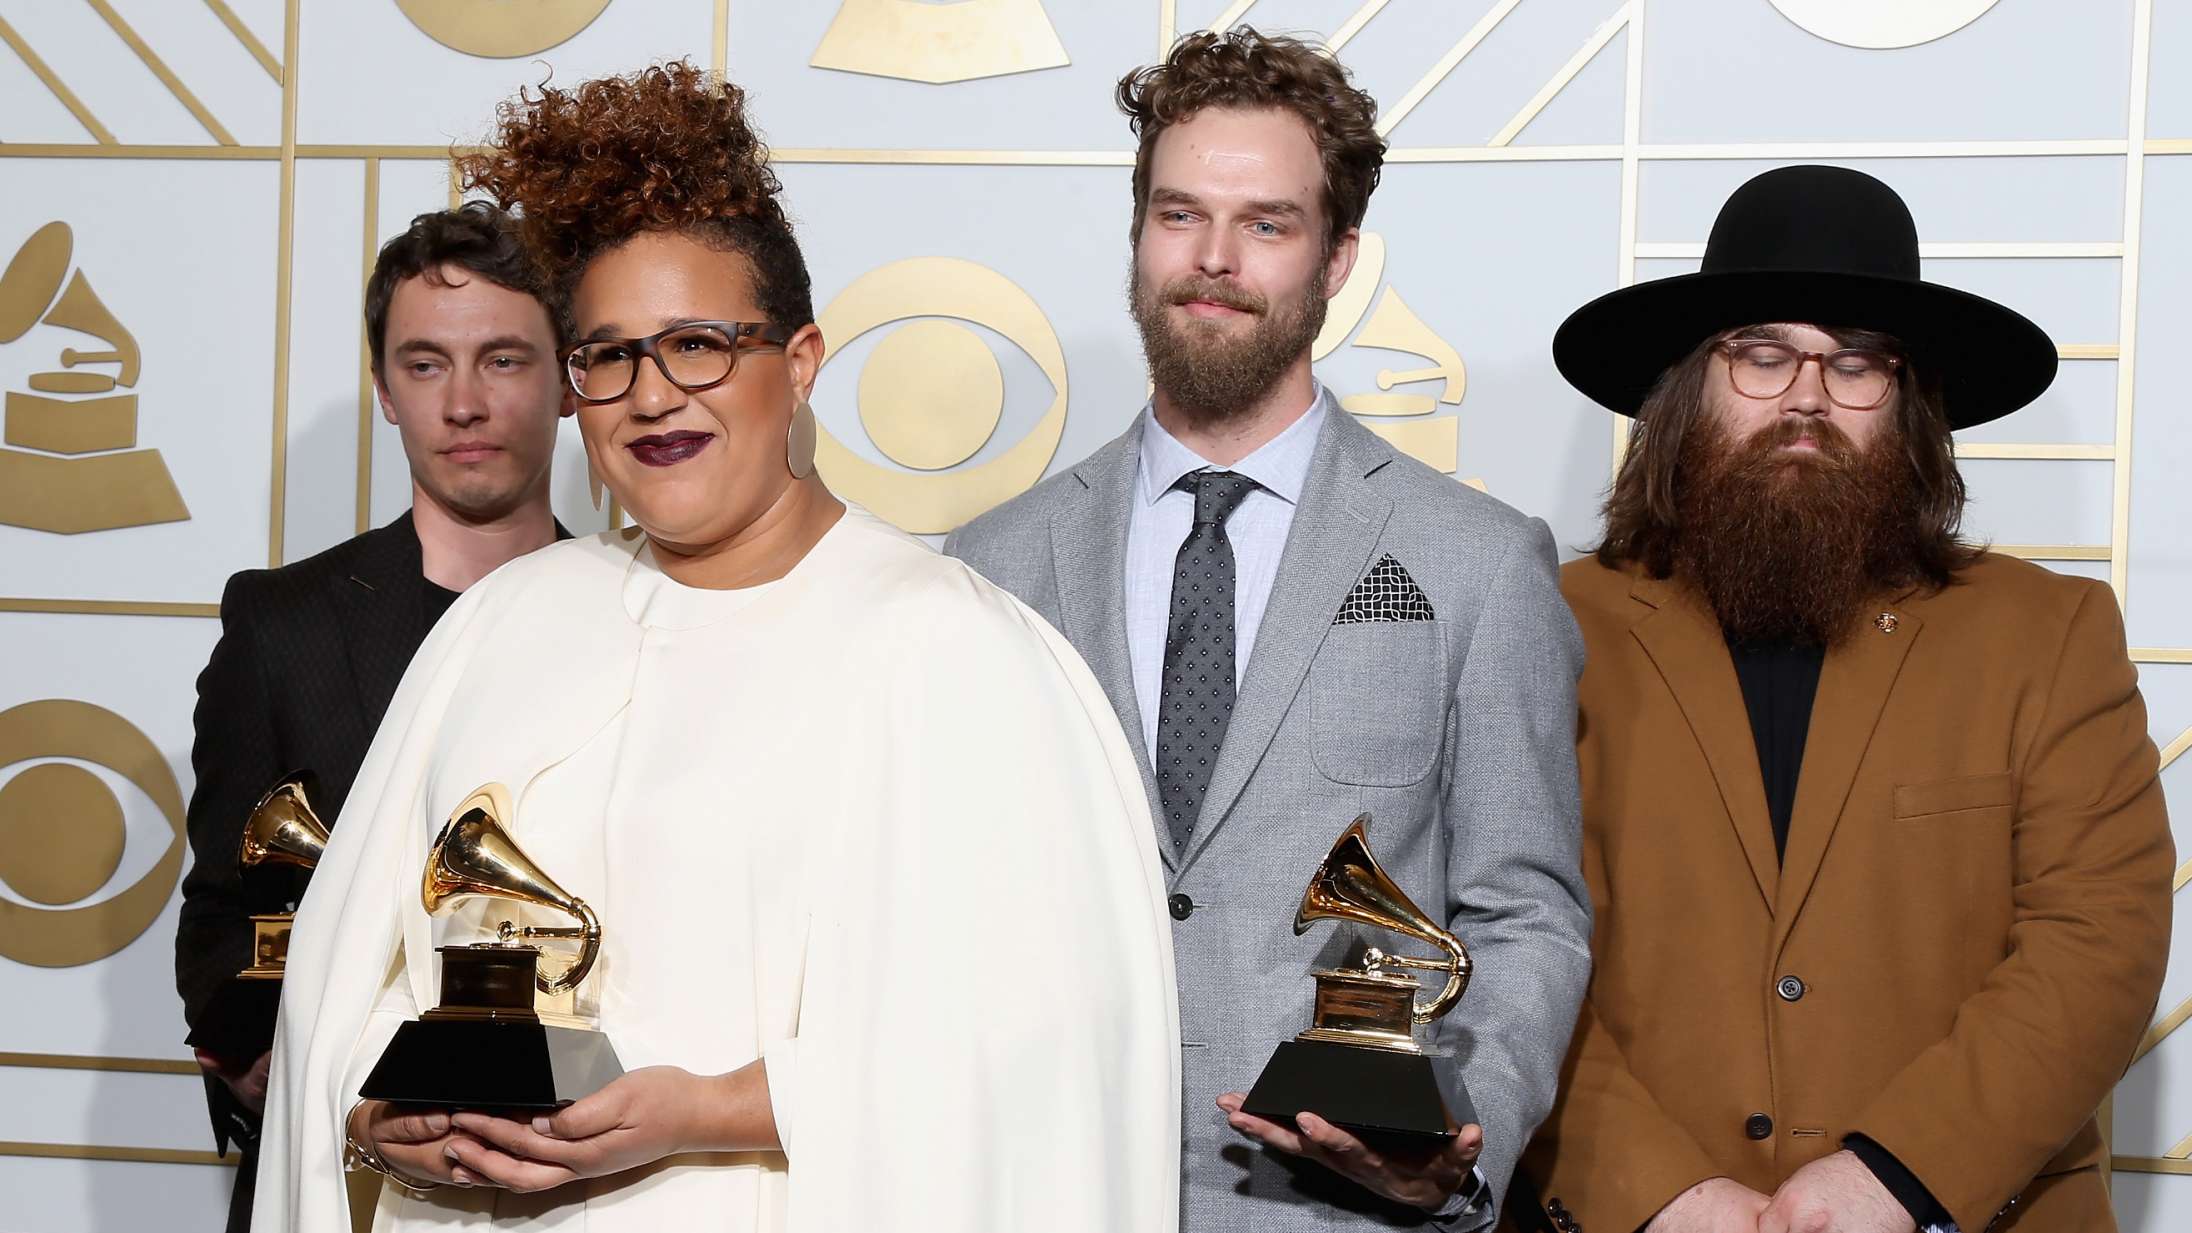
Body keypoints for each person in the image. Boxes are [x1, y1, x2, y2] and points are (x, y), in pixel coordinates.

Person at [251, 61, 1180, 1233]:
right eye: (608, 355)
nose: (650, 395)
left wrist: (706, 1110)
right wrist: (366, 1111)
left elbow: (1037, 1048)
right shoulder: (502, 624)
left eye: (697, 344)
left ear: (796, 366)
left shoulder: (952, 648)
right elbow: (348, 978)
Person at [947, 29, 1589, 1232]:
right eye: (1179, 214)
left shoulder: (1477, 563)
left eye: (1267, 224)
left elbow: (1524, 913)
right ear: (1137, 233)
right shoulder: (994, 566)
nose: (1214, 260)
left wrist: (1462, 1142)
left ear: (1338, 257)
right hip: (1044, 1191)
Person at [1518, 165, 2173, 1233]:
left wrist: (1898, 1175)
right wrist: (1653, 1191)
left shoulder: (2048, 634)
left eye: (1855, 364)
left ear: (1906, 406)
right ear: (1689, 385)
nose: (1807, 397)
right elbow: (1498, 941)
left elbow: (2096, 940)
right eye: (1762, 355)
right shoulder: (1543, 625)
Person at [175, 202, 568, 1233]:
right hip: (335, 1181)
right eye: (427, 364)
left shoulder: (648, 616)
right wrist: (310, 1089)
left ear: (570, 380)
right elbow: (223, 912)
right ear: (385, 392)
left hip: (584, 1174)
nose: (467, 403)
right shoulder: (281, 624)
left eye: (505, 360)